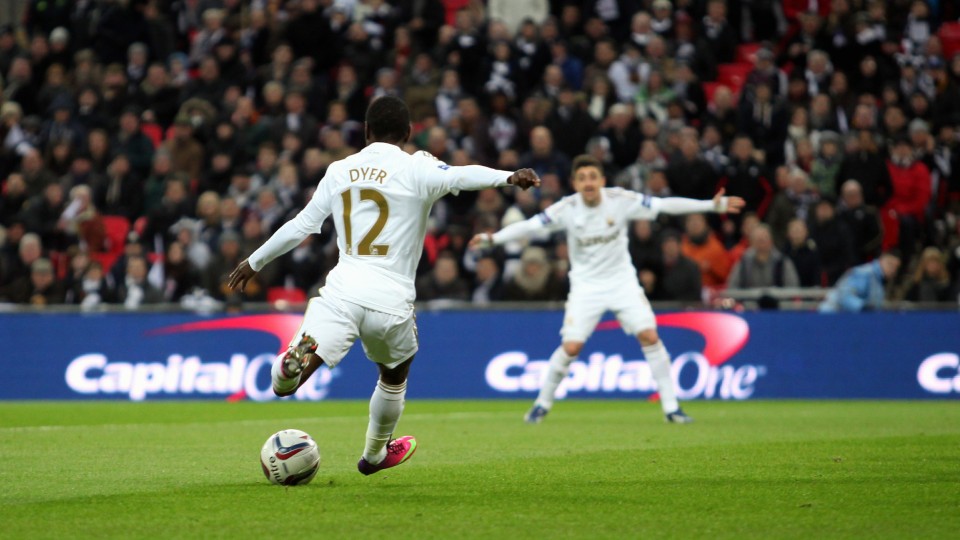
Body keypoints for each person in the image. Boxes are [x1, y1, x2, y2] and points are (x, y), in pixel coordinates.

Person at [227, 96, 540, 476]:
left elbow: (301, 226)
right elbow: (460, 175)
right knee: (394, 373)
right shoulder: (417, 167)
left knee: (285, 387)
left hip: (342, 289)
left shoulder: (340, 169)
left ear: (365, 131)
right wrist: (506, 177)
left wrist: (253, 261)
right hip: (390, 299)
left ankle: (289, 368)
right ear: (408, 133)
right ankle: (374, 455)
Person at [470, 155, 744, 424]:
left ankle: (672, 408)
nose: (588, 183)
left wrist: (710, 205)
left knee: (649, 335)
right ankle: (542, 403)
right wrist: (494, 239)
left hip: (622, 282)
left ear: (602, 180)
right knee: (572, 346)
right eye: (582, 178)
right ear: (574, 183)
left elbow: (663, 205)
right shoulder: (567, 208)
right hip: (586, 287)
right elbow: (530, 226)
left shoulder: (620, 200)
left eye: (592, 177)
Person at [819, 252, 901, 312]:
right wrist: (864, 308)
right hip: (833, 316)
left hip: (848, 319)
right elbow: (844, 295)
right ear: (880, 260)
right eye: (890, 264)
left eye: (895, 267)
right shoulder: (864, 273)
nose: (892, 269)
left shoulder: (879, 280)